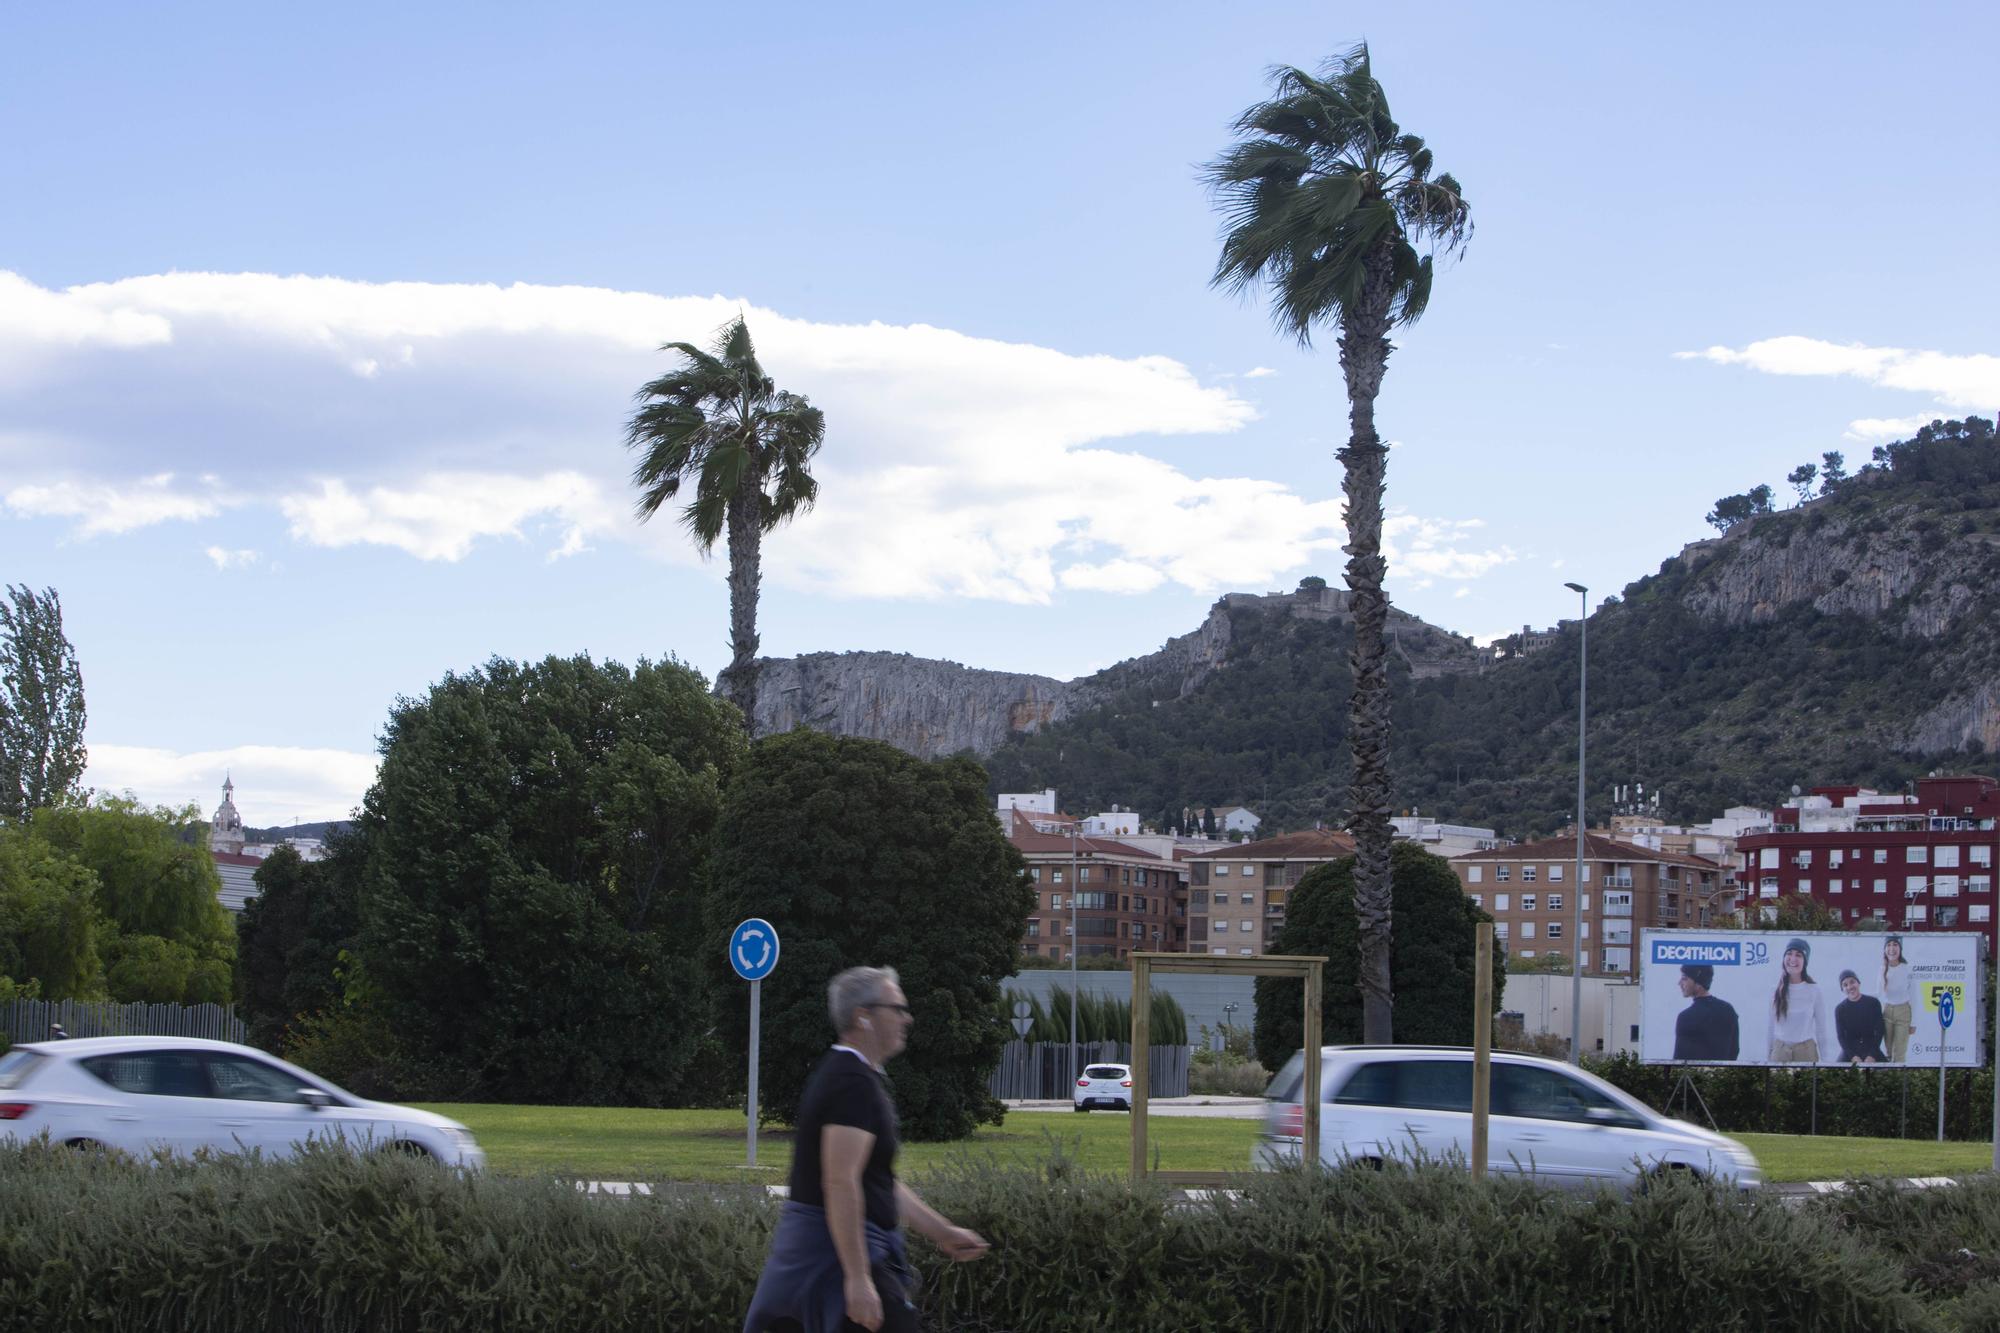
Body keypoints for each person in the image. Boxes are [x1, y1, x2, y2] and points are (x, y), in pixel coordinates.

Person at [744, 966, 988, 1333]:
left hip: (842, 1256)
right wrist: (857, 1279)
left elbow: (879, 1180)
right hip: (831, 1261)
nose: (907, 1019)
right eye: (896, 1008)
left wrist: (943, 1232)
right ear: (864, 1017)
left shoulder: (858, 1078)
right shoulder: (850, 1082)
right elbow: (840, 1182)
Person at [1767, 937, 1832, 1064]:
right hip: (1780, 1052)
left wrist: (1826, 1061)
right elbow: (1770, 1027)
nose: (1793, 959)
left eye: (1799, 955)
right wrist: (1768, 1057)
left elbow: (1821, 1029)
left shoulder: (1814, 990)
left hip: (1806, 1052)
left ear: (1805, 961)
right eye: (1789, 954)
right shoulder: (1775, 990)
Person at [1671, 964, 1739, 1061]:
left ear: (1698, 983)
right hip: (1724, 1074)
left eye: (1684, 978)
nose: (1679, 983)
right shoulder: (1728, 1009)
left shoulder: (1686, 1017)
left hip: (1696, 1075)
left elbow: (1679, 1060)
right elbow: (1734, 1050)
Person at [1833, 969, 1887, 1064]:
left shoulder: (1873, 1003)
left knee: (1890, 1073)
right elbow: (1841, 1037)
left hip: (1871, 1048)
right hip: (1850, 1051)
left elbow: (1880, 1030)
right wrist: (1853, 1057)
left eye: (1852, 982)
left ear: (1858, 983)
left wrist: (1872, 1055)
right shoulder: (1840, 1009)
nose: (1849, 987)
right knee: (1836, 1073)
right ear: (1842, 989)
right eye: (1845, 985)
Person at [1880, 935, 1914, 1063]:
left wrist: (1914, 1022)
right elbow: (1879, 994)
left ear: (1900, 948)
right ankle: (1888, 1078)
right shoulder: (1882, 969)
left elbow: (1914, 997)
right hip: (1887, 1011)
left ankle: (1899, 1078)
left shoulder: (1907, 969)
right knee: (1887, 1051)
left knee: (1899, 1052)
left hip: (1903, 1011)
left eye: (1895, 945)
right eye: (1888, 945)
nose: (1891, 948)